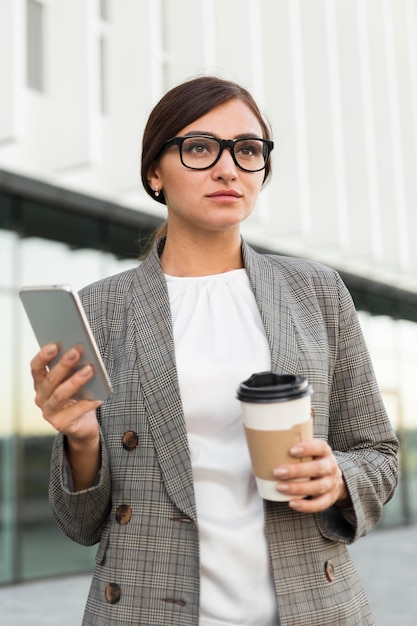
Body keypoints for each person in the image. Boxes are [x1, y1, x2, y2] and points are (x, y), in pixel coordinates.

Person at [30, 76, 399, 626]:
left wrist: (338, 476)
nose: (228, 168)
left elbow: (378, 453)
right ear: (155, 172)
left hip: (312, 608)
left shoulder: (316, 291)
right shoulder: (101, 310)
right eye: (199, 148)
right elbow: (82, 524)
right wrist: (81, 439)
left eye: (247, 150)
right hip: (145, 608)